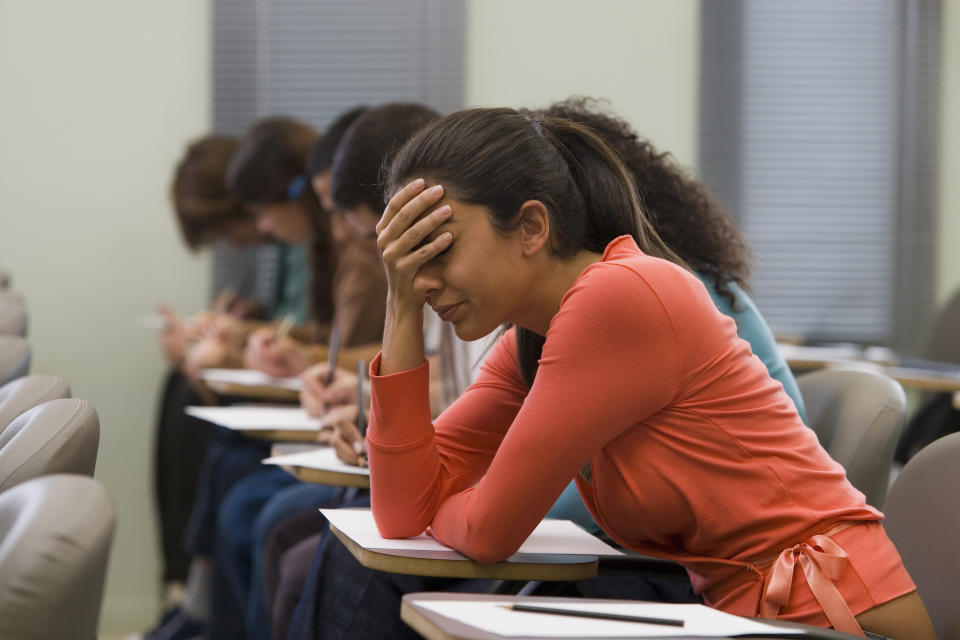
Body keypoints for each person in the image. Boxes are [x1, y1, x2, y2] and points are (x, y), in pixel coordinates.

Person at [362, 108, 934, 639]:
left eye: (438, 249)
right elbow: (400, 512)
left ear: (532, 228)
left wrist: (446, 505)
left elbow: (487, 531)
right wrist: (399, 306)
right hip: (746, 614)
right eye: (407, 263)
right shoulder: (531, 342)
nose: (423, 281)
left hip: (831, 614)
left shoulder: (620, 296)